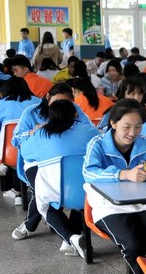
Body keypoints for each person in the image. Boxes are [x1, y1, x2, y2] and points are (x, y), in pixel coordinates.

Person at [82, 99, 146, 274]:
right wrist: (124, 174)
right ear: (113, 123)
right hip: (109, 205)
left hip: (142, 202)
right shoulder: (97, 144)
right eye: (127, 126)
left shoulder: (145, 143)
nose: (133, 133)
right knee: (132, 243)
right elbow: (88, 173)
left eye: (138, 126)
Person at [18, 99, 99, 257]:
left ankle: (71, 238)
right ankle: (73, 239)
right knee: (82, 202)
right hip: (87, 190)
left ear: (50, 117)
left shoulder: (42, 134)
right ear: (75, 114)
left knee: (45, 206)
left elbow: (26, 153)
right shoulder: (89, 130)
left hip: (57, 192)